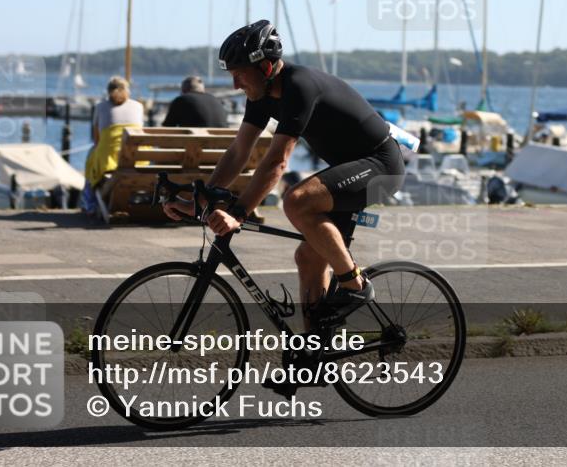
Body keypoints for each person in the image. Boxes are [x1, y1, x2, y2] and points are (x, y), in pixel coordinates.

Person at [162, 20, 405, 333]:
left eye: (239, 73)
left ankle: (355, 286)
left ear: (264, 67)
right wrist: (202, 199)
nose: (235, 84)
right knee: (309, 258)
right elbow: (239, 152)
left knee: (297, 201)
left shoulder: (299, 86)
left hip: (381, 166)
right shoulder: (260, 97)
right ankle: (314, 353)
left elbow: (277, 162)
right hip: (348, 170)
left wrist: (238, 213)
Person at [82, 76, 144, 211]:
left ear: (108, 91)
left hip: (109, 162)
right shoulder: (138, 107)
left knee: (91, 157)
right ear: (127, 90)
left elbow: (96, 140)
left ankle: (91, 204)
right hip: (138, 161)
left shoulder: (100, 107)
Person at [161, 76, 228, 128]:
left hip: (196, 144)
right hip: (222, 145)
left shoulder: (181, 100)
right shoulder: (216, 100)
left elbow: (167, 127)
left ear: (183, 90)